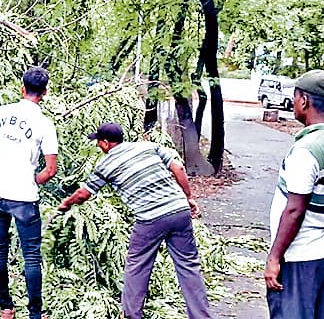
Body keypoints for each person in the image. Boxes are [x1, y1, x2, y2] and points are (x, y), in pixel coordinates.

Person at [58, 122, 210, 319]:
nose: (98, 146)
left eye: (98, 142)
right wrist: (188, 197)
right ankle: (201, 316)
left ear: (105, 143)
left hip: (150, 218)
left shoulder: (105, 165)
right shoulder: (147, 146)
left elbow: (83, 195)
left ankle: (131, 314)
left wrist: (64, 205)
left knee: (137, 265)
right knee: (188, 265)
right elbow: (178, 167)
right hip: (179, 210)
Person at [263, 70, 324, 319]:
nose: (294, 103)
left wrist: (274, 257)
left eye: (295, 98)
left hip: (302, 255)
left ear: (304, 101)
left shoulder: (306, 150)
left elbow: (295, 210)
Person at [0, 66, 58, 319]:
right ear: (44, 93)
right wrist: (32, 179)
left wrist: (1, 161)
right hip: (24, 198)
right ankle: (35, 314)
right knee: (32, 256)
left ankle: (6, 307)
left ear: (22, 88)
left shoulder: (3, 112)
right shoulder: (44, 124)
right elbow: (50, 169)